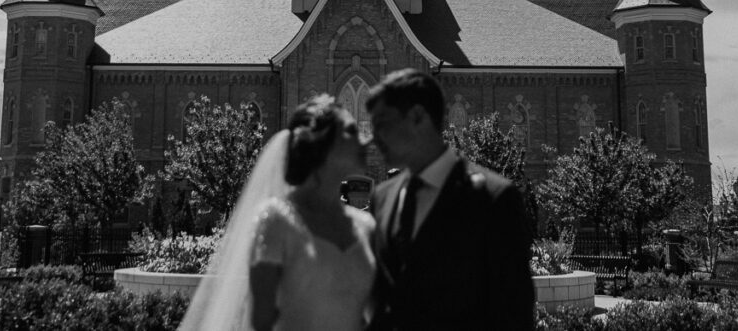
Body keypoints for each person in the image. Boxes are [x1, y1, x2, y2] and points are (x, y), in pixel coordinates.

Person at [179, 95, 375, 331]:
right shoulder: (277, 221)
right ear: (323, 145)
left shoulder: (366, 226)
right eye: (352, 131)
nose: (366, 140)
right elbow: (261, 322)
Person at [365, 69, 534, 331]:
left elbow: (513, 315)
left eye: (382, 124)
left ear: (418, 117)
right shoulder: (382, 198)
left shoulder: (493, 199)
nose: (373, 138)